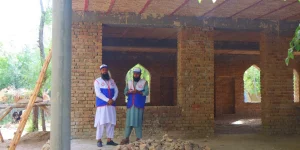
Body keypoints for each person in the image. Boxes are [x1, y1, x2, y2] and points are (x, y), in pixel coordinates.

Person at [120, 68, 149, 144]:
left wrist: (138, 92)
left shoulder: (144, 82)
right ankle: (126, 138)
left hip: (138, 105)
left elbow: (146, 92)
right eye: (134, 73)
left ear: (140, 74)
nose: (136, 75)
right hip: (130, 105)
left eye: (137, 74)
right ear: (133, 74)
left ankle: (139, 139)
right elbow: (125, 91)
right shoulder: (129, 82)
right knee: (128, 123)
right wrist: (128, 92)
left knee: (138, 122)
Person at [94, 64, 118, 147]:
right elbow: (98, 93)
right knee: (101, 123)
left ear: (107, 70)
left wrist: (113, 99)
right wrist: (108, 100)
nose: (104, 71)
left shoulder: (112, 81)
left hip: (111, 105)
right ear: (101, 71)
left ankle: (109, 140)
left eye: (106, 69)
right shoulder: (97, 81)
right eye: (103, 70)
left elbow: (116, 90)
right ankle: (99, 140)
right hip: (102, 105)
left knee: (111, 123)